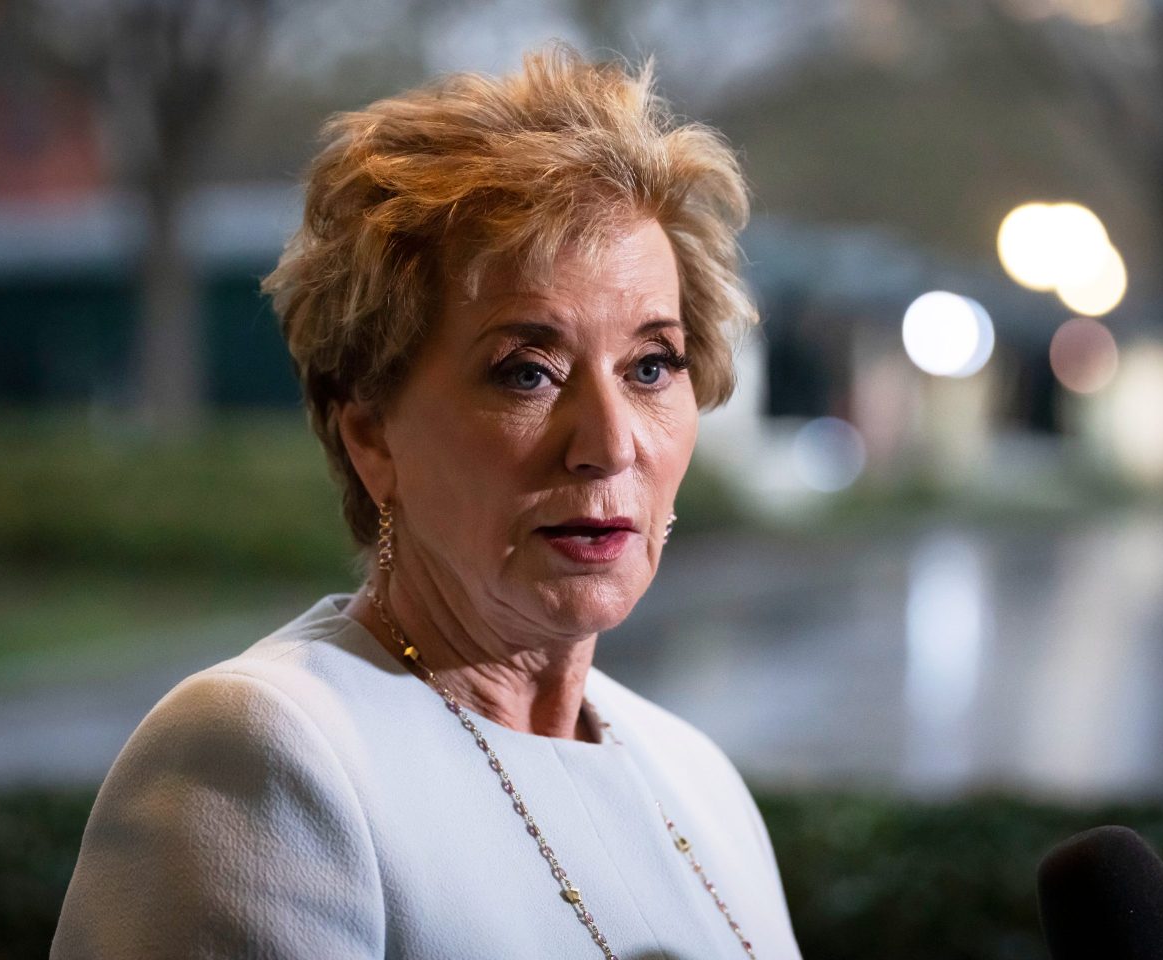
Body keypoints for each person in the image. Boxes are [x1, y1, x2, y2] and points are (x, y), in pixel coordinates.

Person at [52, 44, 803, 960]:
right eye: (527, 372)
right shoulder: (266, 755)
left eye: (652, 366)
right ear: (370, 434)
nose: (611, 443)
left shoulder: (701, 782)